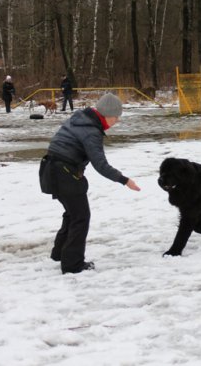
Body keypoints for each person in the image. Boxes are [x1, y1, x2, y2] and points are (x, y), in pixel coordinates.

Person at [38, 93, 141, 274]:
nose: (117, 121)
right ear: (106, 114)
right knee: (80, 217)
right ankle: (73, 265)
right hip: (64, 173)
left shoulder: (80, 119)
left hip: (51, 169)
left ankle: (59, 254)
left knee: (72, 214)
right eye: (116, 117)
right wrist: (124, 180)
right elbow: (100, 164)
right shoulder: (91, 131)